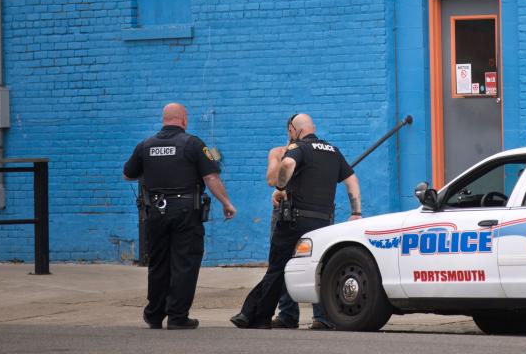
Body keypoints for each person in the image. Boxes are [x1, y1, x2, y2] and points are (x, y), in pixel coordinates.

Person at [230, 113, 361, 329]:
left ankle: (259, 317)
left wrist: (281, 188)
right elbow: (352, 180)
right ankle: (323, 319)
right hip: (323, 222)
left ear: (294, 130)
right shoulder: (333, 151)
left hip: (294, 220)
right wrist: (356, 212)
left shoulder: (298, 148)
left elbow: (288, 164)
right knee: (319, 268)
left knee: (278, 268)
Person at [123, 103, 236, 330]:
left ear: (164, 119)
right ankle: (177, 317)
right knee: (184, 263)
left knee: (158, 263)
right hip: (186, 212)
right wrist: (226, 203)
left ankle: (154, 315)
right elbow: (211, 178)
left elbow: (128, 175)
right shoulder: (192, 144)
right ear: (183, 120)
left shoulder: (145, 146)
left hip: (155, 211)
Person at [265, 116, 334, 329]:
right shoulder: (278, 152)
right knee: (285, 263)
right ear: (290, 130)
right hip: (285, 212)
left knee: (318, 261)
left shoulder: (316, 151)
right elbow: (271, 180)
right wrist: (287, 156)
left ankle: (321, 317)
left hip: (313, 212)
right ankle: (287, 315)